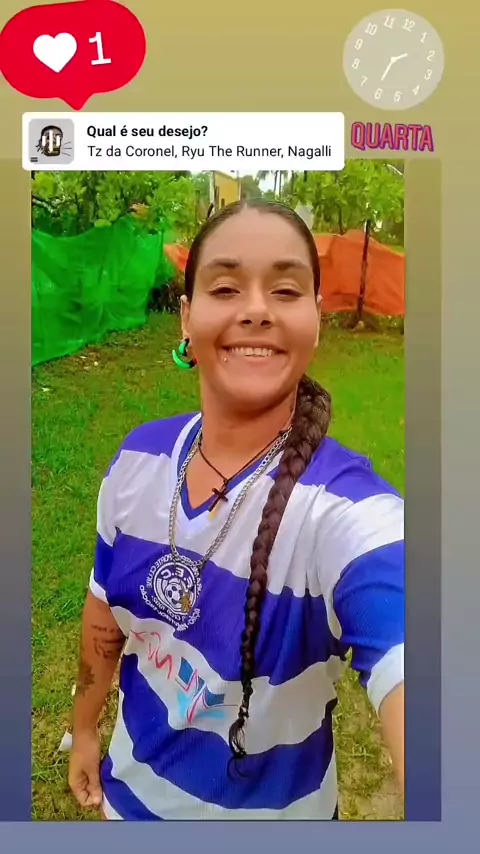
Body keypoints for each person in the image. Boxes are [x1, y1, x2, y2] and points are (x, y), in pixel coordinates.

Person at [68, 199, 404, 821]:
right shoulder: (136, 461)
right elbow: (103, 614)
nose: (256, 309)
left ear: (316, 318)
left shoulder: (345, 512)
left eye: (285, 290)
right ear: (187, 318)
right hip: (128, 805)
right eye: (225, 288)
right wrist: (85, 729)